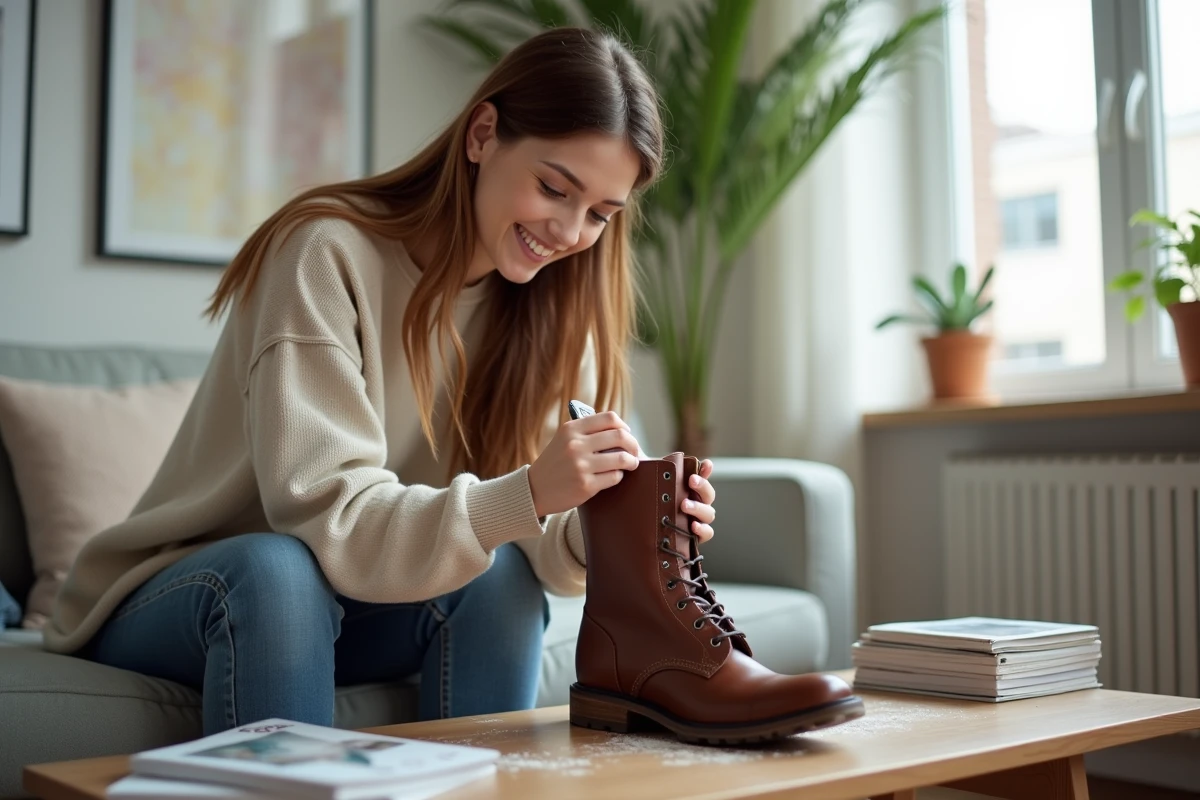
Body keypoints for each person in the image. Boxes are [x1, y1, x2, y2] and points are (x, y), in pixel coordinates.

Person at [43, 27, 722, 735]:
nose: (569, 232)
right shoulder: (325, 254)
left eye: (600, 216)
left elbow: (540, 553)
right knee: (280, 575)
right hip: (197, 591)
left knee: (501, 583)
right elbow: (329, 521)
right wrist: (528, 492)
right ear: (483, 134)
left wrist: (609, 520)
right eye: (554, 187)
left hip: (352, 598)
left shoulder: (556, 307)